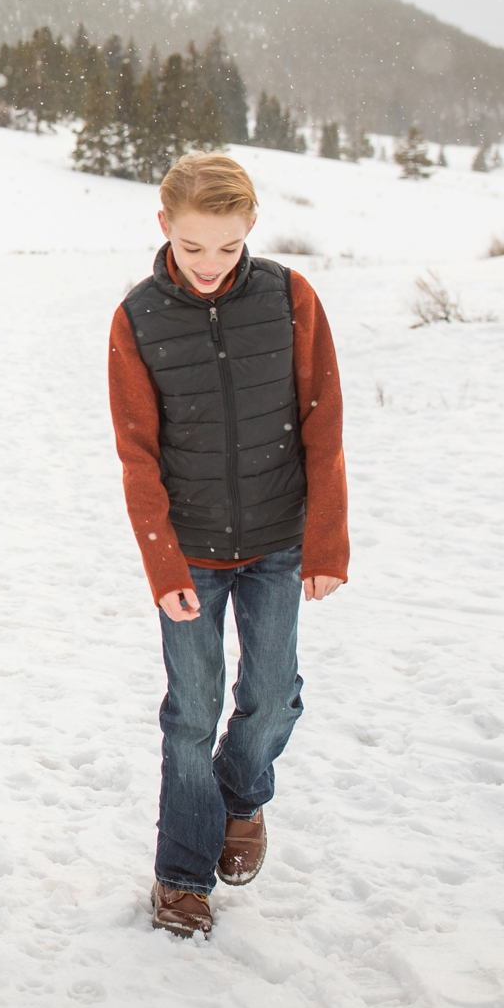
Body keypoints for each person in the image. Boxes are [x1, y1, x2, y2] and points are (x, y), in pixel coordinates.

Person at [106, 151, 349, 938]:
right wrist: (163, 564)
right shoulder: (137, 318)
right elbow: (137, 453)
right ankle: (181, 873)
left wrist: (325, 545)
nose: (210, 265)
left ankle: (239, 795)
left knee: (275, 694)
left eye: (228, 247)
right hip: (192, 553)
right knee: (192, 709)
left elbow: (324, 422)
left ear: (251, 231)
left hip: (279, 540)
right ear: (164, 227)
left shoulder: (290, 298)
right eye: (192, 247)